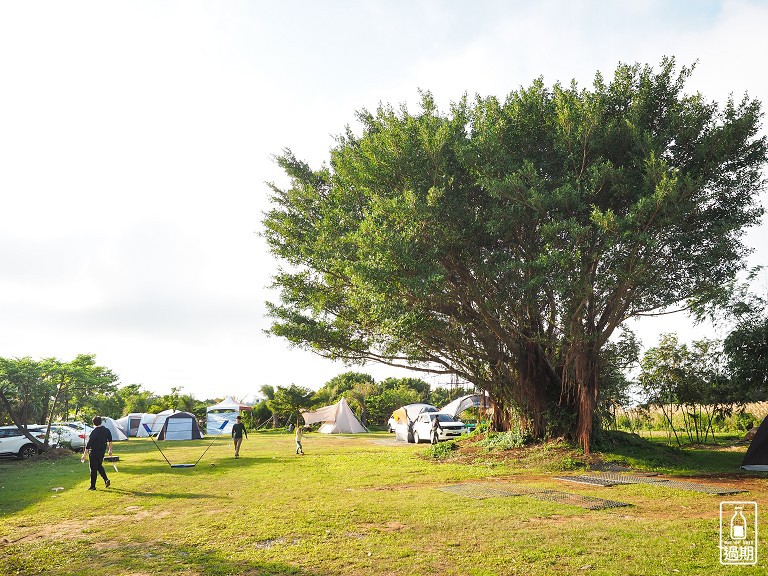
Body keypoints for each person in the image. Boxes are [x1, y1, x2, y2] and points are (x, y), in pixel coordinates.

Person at [81, 416, 112, 490]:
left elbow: (89, 445)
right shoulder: (106, 430)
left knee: (93, 469)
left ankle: (93, 486)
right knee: (99, 466)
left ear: (94, 423)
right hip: (102, 451)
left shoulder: (94, 432)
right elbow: (110, 440)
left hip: (94, 452)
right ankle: (106, 479)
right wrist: (110, 450)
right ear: (101, 422)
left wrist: (84, 454)